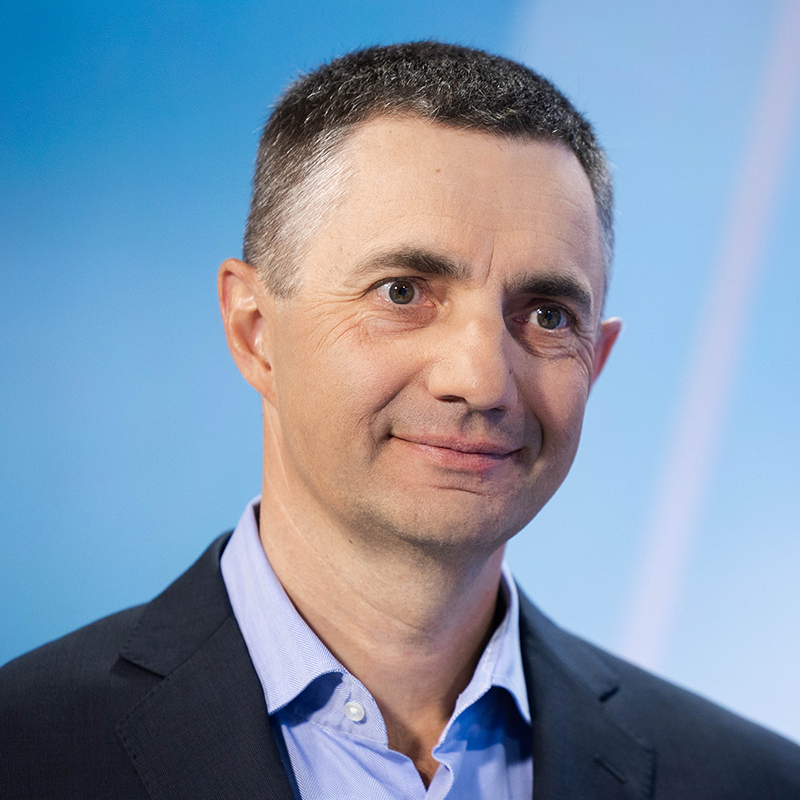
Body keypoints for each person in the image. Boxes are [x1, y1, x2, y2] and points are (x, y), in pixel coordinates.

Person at [1, 41, 798, 800]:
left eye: (548, 315)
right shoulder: (24, 751)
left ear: (596, 360)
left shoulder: (755, 783)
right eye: (404, 292)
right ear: (255, 331)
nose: (481, 381)